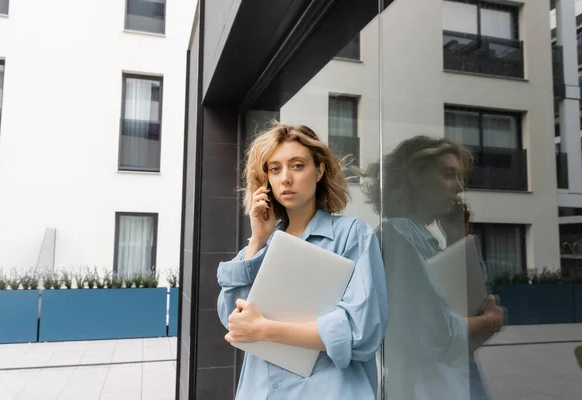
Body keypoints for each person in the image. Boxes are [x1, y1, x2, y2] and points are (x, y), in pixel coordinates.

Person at [216, 123, 388, 400]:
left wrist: (265, 329)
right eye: (275, 169)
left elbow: (361, 332)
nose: (285, 178)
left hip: (331, 390)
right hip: (261, 389)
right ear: (266, 180)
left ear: (319, 171)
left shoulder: (352, 235)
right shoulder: (262, 243)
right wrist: (257, 241)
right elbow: (233, 322)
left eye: (297, 166)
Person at [380, 135, 505, 400]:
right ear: (415, 175)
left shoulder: (422, 238)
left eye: (460, 178)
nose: (459, 187)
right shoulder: (399, 234)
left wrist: (457, 237)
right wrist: (490, 322)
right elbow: (430, 333)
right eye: (449, 175)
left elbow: (471, 304)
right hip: (428, 387)